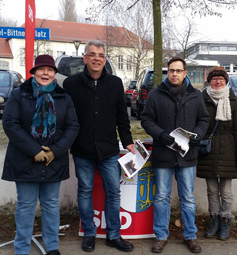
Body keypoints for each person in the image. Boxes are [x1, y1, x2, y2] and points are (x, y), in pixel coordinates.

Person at [1, 54, 80, 255]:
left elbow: (72, 126)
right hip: (25, 159)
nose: (46, 73)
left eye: (50, 69)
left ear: (55, 73)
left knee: (51, 205)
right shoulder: (19, 94)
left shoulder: (64, 97)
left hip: (53, 161)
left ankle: (52, 246)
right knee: (26, 206)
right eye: (41, 69)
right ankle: (22, 248)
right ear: (34, 72)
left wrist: (56, 151)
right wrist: (34, 150)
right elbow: (10, 124)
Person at [63, 40, 136, 253]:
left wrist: (128, 141)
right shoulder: (71, 84)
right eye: (93, 54)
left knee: (113, 192)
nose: (97, 58)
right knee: (84, 191)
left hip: (109, 150)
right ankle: (89, 233)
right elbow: (66, 117)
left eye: (101, 55)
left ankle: (114, 235)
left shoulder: (115, 83)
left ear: (105, 59)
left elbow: (122, 117)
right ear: (85, 58)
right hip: (82, 149)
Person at [140, 56, 209, 253]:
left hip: (187, 155)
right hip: (163, 154)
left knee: (187, 197)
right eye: (171, 70)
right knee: (161, 197)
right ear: (167, 72)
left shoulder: (195, 95)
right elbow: (146, 119)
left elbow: (204, 118)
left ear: (185, 73)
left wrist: (198, 134)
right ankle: (161, 236)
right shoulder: (155, 94)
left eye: (178, 71)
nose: (175, 74)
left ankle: (190, 235)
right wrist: (160, 135)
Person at [197, 66, 237, 241]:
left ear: (226, 81)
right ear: (209, 81)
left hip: (228, 149)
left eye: (221, 78)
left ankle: (226, 221)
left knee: (225, 191)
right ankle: (214, 221)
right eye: (214, 78)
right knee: (211, 190)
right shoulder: (201, 99)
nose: (217, 81)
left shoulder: (234, 101)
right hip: (207, 149)